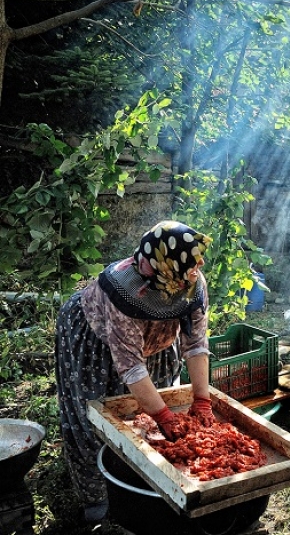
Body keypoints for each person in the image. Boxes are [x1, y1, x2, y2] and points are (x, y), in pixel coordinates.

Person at [54, 220, 216, 523]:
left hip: (155, 337)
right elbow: (130, 366)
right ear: (162, 269)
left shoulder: (189, 278)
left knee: (146, 421)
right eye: (190, 267)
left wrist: (202, 399)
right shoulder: (124, 292)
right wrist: (164, 415)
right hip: (97, 340)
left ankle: (149, 480)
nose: (197, 269)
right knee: (96, 420)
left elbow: (195, 344)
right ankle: (97, 497)